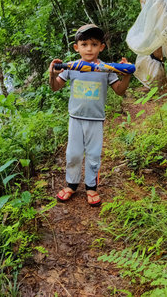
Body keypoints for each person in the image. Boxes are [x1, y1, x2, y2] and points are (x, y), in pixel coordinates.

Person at [49, 24, 132, 207]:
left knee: (94, 154)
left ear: (101, 47)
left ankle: (91, 187)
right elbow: (55, 87)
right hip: (75, 119)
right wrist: (51, 73)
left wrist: (126, 74)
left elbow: (119, 91)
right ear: (76, 47)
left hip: (96, 120)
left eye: (94, 44)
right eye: (84, 44)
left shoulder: (106, 69)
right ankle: (71, 184)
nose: (89, 48)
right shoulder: (72, 67)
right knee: (73, 153)